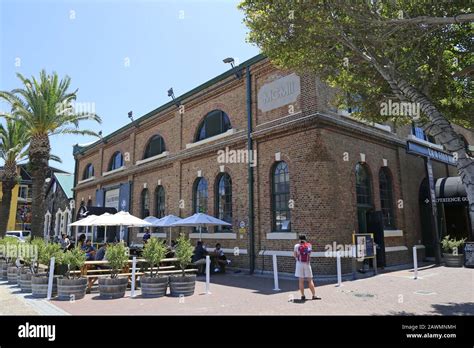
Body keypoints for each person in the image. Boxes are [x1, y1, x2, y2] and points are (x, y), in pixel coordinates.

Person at [294, 235, 321, 301]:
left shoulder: (296, 246)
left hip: (299, 264)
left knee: (301, 281)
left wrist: (297, 259)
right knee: (310, 280)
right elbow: (309, 254)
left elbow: (295, 255)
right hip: (307, 264)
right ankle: (314, 295)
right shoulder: (309, 245)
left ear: (299, 240)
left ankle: (303, 296)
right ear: (305, 239)